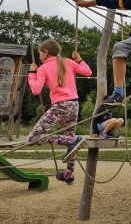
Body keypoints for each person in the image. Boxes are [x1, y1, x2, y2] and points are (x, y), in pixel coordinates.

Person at [27, 39, 92, 185]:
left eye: (39, 54)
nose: (39, 57)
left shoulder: (43, 68)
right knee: (72, 144)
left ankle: (70, 141)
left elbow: (36, 90)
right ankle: (69, 174)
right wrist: (79, 60)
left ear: (46, 52)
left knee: (33, 137)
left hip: (60, 107)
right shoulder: (68, 62)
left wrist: (32, 73)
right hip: (74, 105)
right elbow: (88, 72)